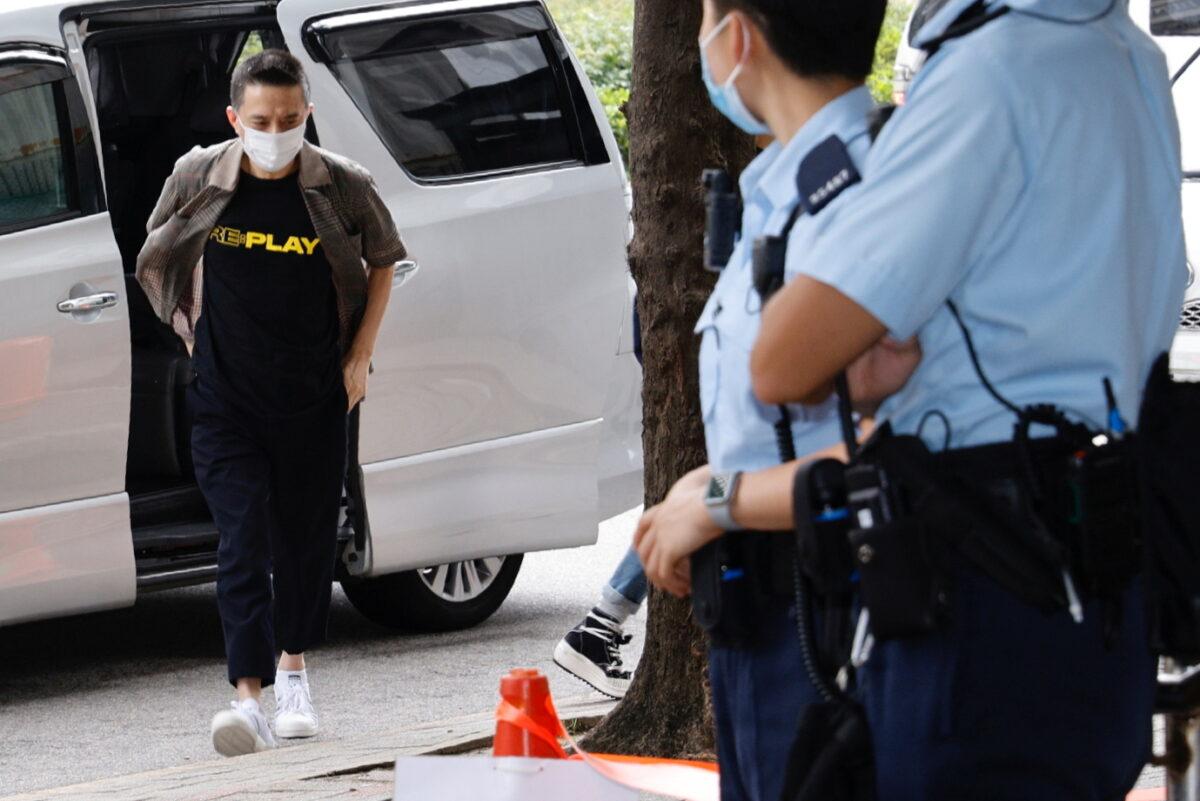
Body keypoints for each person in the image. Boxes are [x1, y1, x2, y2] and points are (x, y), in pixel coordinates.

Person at [637, 0, 1187, 798]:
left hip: (976, 576)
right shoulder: (1121, 52)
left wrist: (717, 497)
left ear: (739, 33)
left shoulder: (986, 74)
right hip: (1084, 556)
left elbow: (783, 364)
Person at [636, 1, 886, 798]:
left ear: (736, 37)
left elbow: (894, 441)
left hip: (830, 607)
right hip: (764, 604)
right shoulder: (785, 182)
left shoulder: (865, 188)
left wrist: (715, 499)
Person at [136, 50, 407, 756]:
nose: (276, 130)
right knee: (242, 540)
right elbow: (155, 253)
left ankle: (295, 675)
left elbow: (385, 260)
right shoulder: (198, 175)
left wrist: (358, 356)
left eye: (290, 118)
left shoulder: (342, 184)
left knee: (306, 539)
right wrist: (190, 329)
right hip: (226, 396)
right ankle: (247, 698)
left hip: (315, 393)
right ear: (235, 118)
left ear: (306, 114)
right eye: (261, 119)